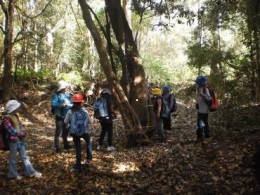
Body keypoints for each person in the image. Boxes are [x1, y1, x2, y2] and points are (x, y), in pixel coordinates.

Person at [3, 100, 42, 180]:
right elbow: (11, 131)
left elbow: (20, 125)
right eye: (17, 107)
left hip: (19, 140)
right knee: (13, 157)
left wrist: (23, 131)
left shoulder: (15, 116)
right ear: (13, 108)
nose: (18, 108)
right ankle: (12, 174)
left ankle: (30, 172)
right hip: (12, 141)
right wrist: (21, 133)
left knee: (24, 156)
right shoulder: (6, 119)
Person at [64, 94, 92, 172]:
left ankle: (78, 166)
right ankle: (89, 159)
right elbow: (90, 122)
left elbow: (65, 121)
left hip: (74, 132)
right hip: (84, 132)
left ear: (73, 102)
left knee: (78, 148)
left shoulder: (70, 111)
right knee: (88, 143)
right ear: (81, 102)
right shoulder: (85, 111)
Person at [51, 80, 72, 153]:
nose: (67, 88)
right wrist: (61, 105)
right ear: (62, 88)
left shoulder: (68, 95)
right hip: (59, 116)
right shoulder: (56, 95)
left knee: (65, 132)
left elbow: (71, 103)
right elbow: (53, 105)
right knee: (58, 132)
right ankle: (57, 147)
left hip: (67, 116)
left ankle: (65, 145)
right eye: (66, 87)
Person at [195, 75, 211, 142]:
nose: (197, 84)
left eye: (198, 82)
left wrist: (203, 95)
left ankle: (204, 136)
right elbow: (197, 98)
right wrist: (196, 103)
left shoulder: (205, 89)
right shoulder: (198, 89)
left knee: (203, 123)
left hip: (205, 110)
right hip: (200, 109)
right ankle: (201, 136)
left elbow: (209, 98)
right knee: (201, 122)